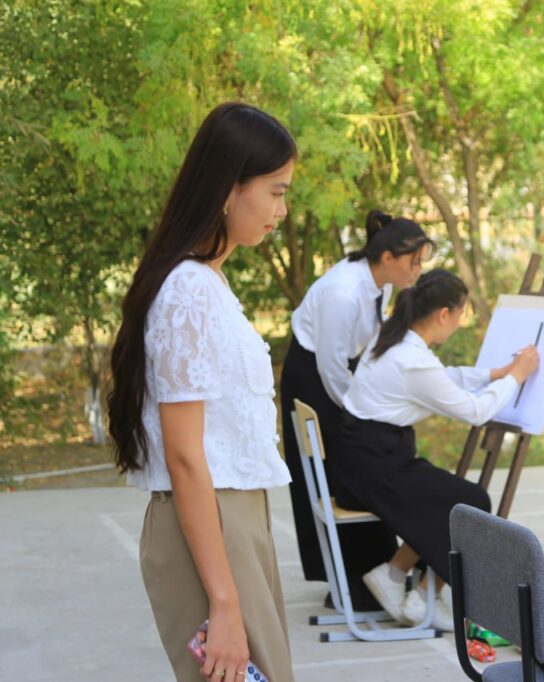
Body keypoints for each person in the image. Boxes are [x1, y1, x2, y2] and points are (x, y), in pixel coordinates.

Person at [107, 102, 296, 682]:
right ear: (229, 189)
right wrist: (224, 603)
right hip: (210, 527)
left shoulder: (206, 282)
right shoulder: (188, 289)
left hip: (233, 520)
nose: (282, 211)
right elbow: (185, 455)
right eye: (276, 192)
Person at [333, 269, 540, 631]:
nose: (459, 323)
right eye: (460, 314)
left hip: (364, 456)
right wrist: (516, 377)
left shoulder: (395, 338)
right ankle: (423, 597)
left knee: (450, 496)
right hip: (373, 466)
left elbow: (443, 378)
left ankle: (393, 575)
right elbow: (475, 412)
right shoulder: (412, 360)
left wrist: (496, 374)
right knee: (471, 501)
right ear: (444, 314)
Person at [279, 210, 433, 610]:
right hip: (313, 375)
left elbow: (372, 340)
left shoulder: (381, 283)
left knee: (365, 456)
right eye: (413, 261)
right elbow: (330, 366)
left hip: (340, 370)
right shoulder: (343, 291)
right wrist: (360, 411)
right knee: (344, 466)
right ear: (387, 258)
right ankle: (351, 580)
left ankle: (379, 568)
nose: (418, 271)